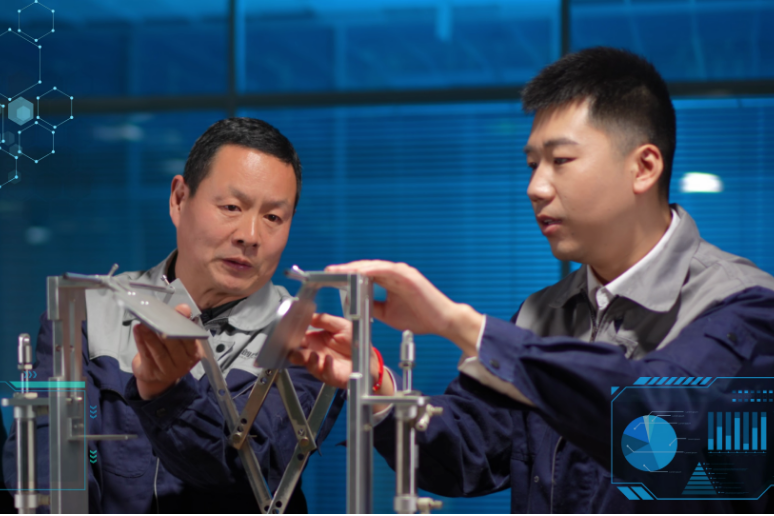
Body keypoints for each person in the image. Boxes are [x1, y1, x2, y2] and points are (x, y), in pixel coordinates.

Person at [290, 47, 774, 513]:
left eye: (560, 160)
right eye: (532, 165)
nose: (535, 187)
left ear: (643, 167)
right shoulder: (542, 313)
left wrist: (459, 324)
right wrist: (378, 386)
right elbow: (469, 453)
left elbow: (652, 418)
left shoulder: (746, 305)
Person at [2, 117, 345, 513]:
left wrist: (167, 395)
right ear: (179, 199)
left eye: (273, 217)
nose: (250, 235)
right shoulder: (84, 312)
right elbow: (50, 468)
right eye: (231, 207)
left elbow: (253, 472)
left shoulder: (307, 340)